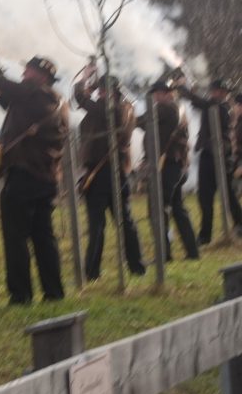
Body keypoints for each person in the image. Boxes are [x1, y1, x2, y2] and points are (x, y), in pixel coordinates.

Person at [0, 46, 68, 304]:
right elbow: (15, 106)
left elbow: (8, 85)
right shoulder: (48, 99)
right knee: (43, 238)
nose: (24, 72)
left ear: (40, 76)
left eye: (29, 70)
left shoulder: (35, 92)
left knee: (15, 238)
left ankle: (21, 295)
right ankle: (53, 291)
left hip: (24, 177)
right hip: (44, 178)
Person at [72, 68, 145, 280]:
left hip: (102, 171)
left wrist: (84, 80)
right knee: (123, 221)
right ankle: (136, 266)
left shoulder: (111, 108)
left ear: (109, 91)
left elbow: (79, 97)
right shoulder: (121, 107)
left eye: (102, 91)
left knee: (98, 225)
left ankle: (92, 271)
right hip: (112, 170)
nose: (98, 94)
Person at [140, 80, 199, 260]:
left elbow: (141, 121)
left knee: (157, 209)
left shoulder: (166, 109)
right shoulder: (172, 109)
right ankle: (192, 252)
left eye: (158, 93)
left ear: (166, 93)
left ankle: (165, 254)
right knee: (177, 209)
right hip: (174, 165)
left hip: (169, 166)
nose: (155, 97)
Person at [178, 79, 242, 242]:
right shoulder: (213, 104)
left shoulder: (224, 107)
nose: (214, 93)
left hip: (221, 155)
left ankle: (239, 225)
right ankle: (205, 234)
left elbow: (202, 103)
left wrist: (185, 89)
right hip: (208, 154)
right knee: (205, 197)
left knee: (229, 195)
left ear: (223, 92)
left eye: (216, 91)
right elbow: (200, 104)